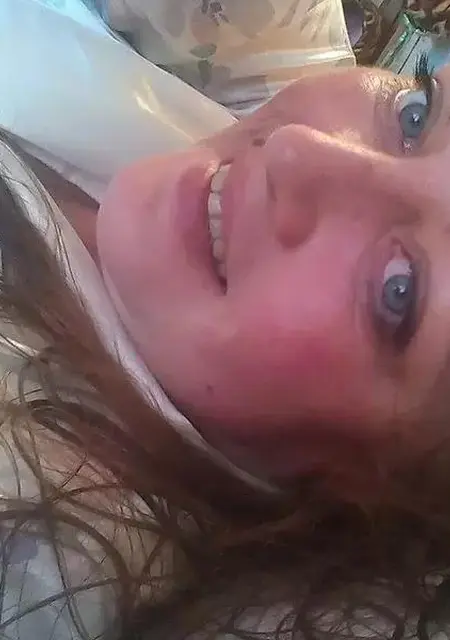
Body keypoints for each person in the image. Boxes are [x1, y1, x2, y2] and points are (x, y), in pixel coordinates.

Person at [3, 2, 450, 640]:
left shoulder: (43, 535)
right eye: (417, 115)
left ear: (366, 490)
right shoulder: (229, 117)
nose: (298, 149)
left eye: (398, 290)